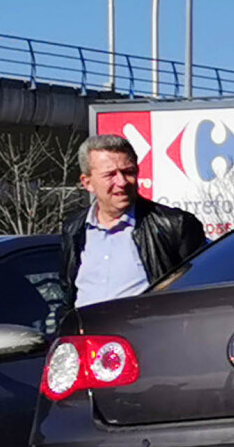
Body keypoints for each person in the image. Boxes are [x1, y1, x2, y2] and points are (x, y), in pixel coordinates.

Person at [57, 134, 208, 324]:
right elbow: (68, 293)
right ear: (87, 182)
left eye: (128, 172)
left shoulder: (174, 225)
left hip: (145, 341)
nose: (122, 182)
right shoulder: (74, 229)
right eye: (110, 175)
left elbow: (199, 293)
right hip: (88, 343)